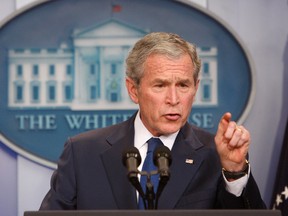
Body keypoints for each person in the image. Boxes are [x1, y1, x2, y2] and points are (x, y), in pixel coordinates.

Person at [40, 32, 266, 210]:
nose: (174, 99)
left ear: (195, 89)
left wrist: (235, 172)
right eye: (160, 85)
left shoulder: (215, 155)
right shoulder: (82, 153)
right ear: (133, 90)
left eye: (183, 85)